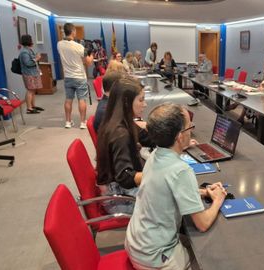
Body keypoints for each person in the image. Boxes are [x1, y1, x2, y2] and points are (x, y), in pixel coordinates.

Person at [125, 103, 226, 269]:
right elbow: (202, 224)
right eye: (189, 127)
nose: (191, 130)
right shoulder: (181, 171)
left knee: (188, 241)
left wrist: (200, 192)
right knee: (210, 259)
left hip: (136, 243)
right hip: (154, 257)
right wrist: (218, 200)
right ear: (180, 136)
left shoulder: (154, 154)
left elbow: (165, 186)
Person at [96, 77, 150, 214]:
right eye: (141, 100)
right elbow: (125, 177)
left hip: (119, 191)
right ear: (126, 102)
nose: (145, 104)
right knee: (169, 201)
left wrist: (177, 140)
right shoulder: (120, 134)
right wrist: (156, 175)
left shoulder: (118, 120)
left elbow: (147, 138)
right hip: (121, 199)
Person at [57, 23, 94, 129]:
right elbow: (88, 63)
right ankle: (83, 123)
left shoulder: (59, 44)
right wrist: (91, 55)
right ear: (73, 31)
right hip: (79, 77)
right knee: (81, 99)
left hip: (68, 77)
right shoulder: (79, 47)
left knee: (68, 99)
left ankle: (68, 122)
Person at [18, 34, 44, 114]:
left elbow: (32, 59)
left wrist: (36, 57)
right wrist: (37, 58)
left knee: (33, 90)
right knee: (30, 90)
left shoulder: (29, 50)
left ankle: (33, 106)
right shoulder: (24, 52)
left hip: (33, 73)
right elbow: (28, 63)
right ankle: (29, 108)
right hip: (28, 74)